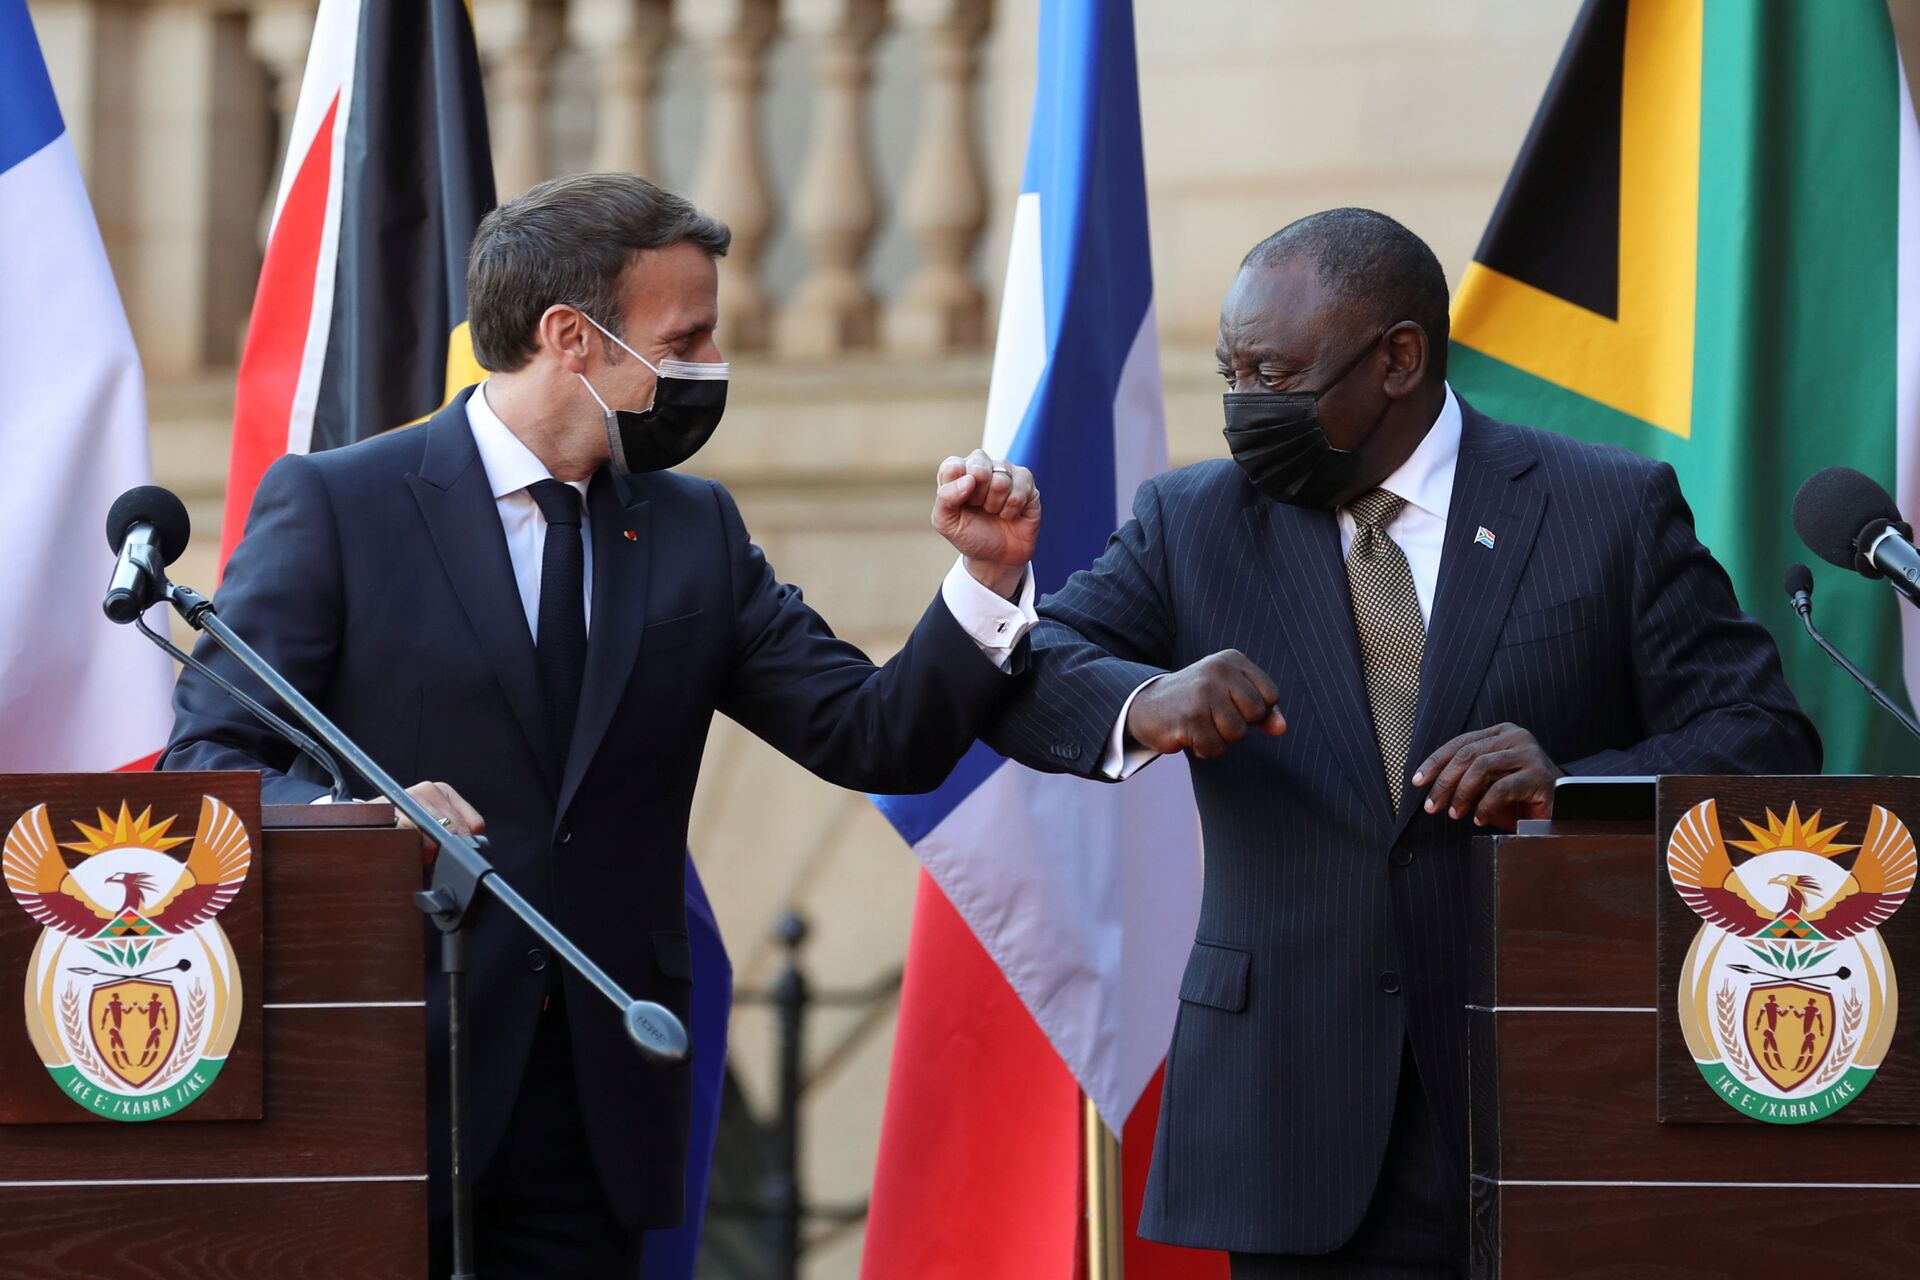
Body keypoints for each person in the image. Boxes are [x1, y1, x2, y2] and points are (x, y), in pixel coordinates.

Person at [161, 172, 1042, 1278]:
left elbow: (873, 733)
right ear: (570, 336)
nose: (712, 366)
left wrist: (984, 580)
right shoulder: (340, 506)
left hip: (597, 1102)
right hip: (382, 1078)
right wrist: (360, 821)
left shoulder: (695, 530)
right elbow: (208, 767)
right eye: (690, 336)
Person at [984, 208, 1820, 1277]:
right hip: (1300, 1114)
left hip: (1556, 1085)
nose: (1244, 402)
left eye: (1274, 372)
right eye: (1228, 369)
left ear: (1399, 360)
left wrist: (1572, 785)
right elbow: (1028, 671)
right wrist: (1148, 699)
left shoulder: (1604, 507)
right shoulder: (1191, 522)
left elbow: (1763, 739)